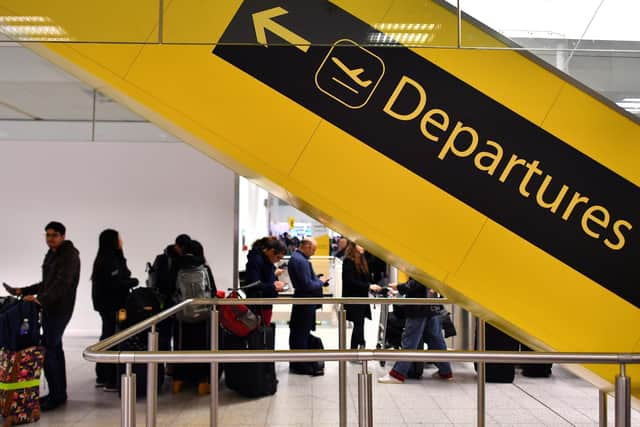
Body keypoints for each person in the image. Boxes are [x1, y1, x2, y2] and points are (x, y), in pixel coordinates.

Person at [3, 221, 80, 411]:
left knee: (49, 349)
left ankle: (56, 395)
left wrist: (40, 300)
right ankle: (58, 393)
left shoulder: (69, 256)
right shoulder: (53, 254)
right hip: (50, 308)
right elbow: (46, 283)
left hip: (59, 309)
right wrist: (23, 290)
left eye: (53, 235)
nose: (49, 239)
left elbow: (63, 285)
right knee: (55, 349)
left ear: (63, 236)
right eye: (47, 235)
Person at [378, 279, 453, 383]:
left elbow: (416, 282)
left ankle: (397, 374)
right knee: (436, 340)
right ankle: (446, 372)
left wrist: (399, 287)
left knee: (410, 340)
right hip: (431, 305)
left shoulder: (422, 266)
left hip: (418, 307)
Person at [91, 229, 139, 391]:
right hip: (113, 305)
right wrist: (133, 281)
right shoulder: (111, 260)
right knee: (112, 339)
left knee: (107, 336)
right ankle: (110, 378)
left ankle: (103, 375)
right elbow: (116, 284)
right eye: (119, 238)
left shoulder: (103, 259)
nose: (121, 241)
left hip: (105, 305)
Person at [172, 240, 217, 395]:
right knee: (202, 345)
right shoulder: (204, 269)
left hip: (181, 315)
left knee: (181, 345)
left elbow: (170, 290)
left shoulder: (176, 267)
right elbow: (213, 291)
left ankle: (178, 379)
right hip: (203, 316)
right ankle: (202, 380)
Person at [288, 238, 328, 376]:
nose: (314, 253)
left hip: (303, 301)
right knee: (301, 333)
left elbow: (307, 281)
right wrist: (320, 283)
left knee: (299, 332)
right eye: (313, 249)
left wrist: (317, 280)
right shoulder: (301, 261)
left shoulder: (297, 258)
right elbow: (307, 285)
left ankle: (298, 363)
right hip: (305, 302)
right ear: (307, 246)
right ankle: (301, 365)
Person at [150, 234, 191, 353]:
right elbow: (158, 282)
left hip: (179, 303)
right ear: (176, 246)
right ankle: (164, 364)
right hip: (166, 302)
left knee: (177, 334)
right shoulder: (162, 259)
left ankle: (173, 365)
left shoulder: (183, 259)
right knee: (164, 335)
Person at [341, 242, 382, 351]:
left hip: (361, 298)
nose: (363, 247)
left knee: (360, 323)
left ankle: (359, 346)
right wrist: (368, 286)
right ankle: (356, 349)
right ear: (353, 246)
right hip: (353, 299)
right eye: (360, 245)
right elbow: (349, 281)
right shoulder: (348, 261)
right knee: (358, 324)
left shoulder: (362, 260)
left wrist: (371, 287)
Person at [244, 237, 287, 325]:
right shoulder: (256, 260)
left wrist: (275, 281)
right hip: (258, 305)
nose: (278, 261)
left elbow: (265, 278)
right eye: (278, 257)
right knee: (259, 333)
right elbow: (253, 284)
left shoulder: (266, 260)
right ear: (271, 251)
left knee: (263, 332)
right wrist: (274, 286)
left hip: (265, 303)